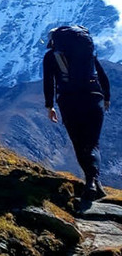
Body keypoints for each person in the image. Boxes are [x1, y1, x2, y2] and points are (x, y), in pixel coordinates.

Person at [44, 25, 111, 202]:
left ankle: (91, 183)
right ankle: (94, 183)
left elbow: (48, 82)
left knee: (79, 143)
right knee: (92, 144)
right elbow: (102, 75)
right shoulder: (87, 55)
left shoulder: (51, 56)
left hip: (69, 101)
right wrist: (106, 98)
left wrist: (49, 106)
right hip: (94, 97)